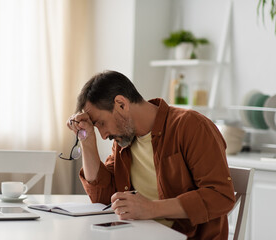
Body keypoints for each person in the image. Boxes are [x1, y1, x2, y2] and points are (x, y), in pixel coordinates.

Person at [66, 70, 235, 239]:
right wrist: (87, 141)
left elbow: (221, 196)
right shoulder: (123, 143)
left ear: (121, 104)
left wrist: (151, 209)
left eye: (101, 123)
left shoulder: (190, 126)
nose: (103, 135)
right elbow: (103, 199)